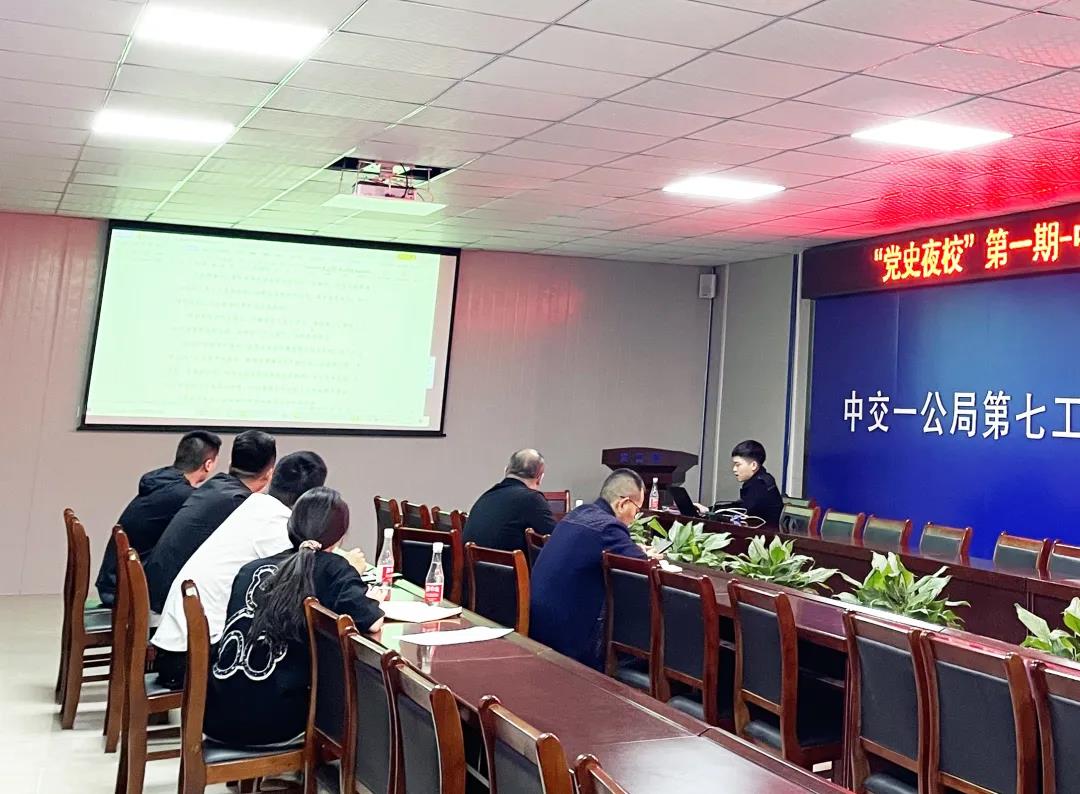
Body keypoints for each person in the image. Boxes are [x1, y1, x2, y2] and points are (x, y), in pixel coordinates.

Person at [203, 487, 384, 747]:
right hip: (275, 723)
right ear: (340, 536)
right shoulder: (334, 568)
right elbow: (373, 622)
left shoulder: (249, 569)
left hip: (215, 716)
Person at [151, 451, 330, 689]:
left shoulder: (253, 505)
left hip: (176, 646)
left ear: (272, 476)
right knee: (296, 649)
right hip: (192, 658)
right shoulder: (279, 525)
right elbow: (305, 584)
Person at [144, 430, 276, 613]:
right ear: (269, 473)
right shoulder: (240, 505)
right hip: (175, 604)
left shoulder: (215, 486)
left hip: (157, 591)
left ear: (231, 464)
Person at [529, 469, 648, 670]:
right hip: (570, 642)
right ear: (623, 504)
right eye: (636, 510)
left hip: (538, 626)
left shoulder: (577, 513)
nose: (634, 518)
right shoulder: (609, 527)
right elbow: (642, 567)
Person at [94, 431, 221, 606]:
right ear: (208, 464)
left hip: (113, 582)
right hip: (126, 591)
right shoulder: (184, 496)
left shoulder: (161, 482)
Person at [463, 449, 556, 555]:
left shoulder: (486, 496)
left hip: (473, 565)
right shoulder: (532, 499)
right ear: (540, 477)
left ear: (506, 470)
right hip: (509, 565)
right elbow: (557, 541)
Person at [729, 440, 783, 526]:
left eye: (738, 465)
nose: (734, 469)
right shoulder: (760, 480)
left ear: (753, 465)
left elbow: (744, 513)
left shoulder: (760, 485)